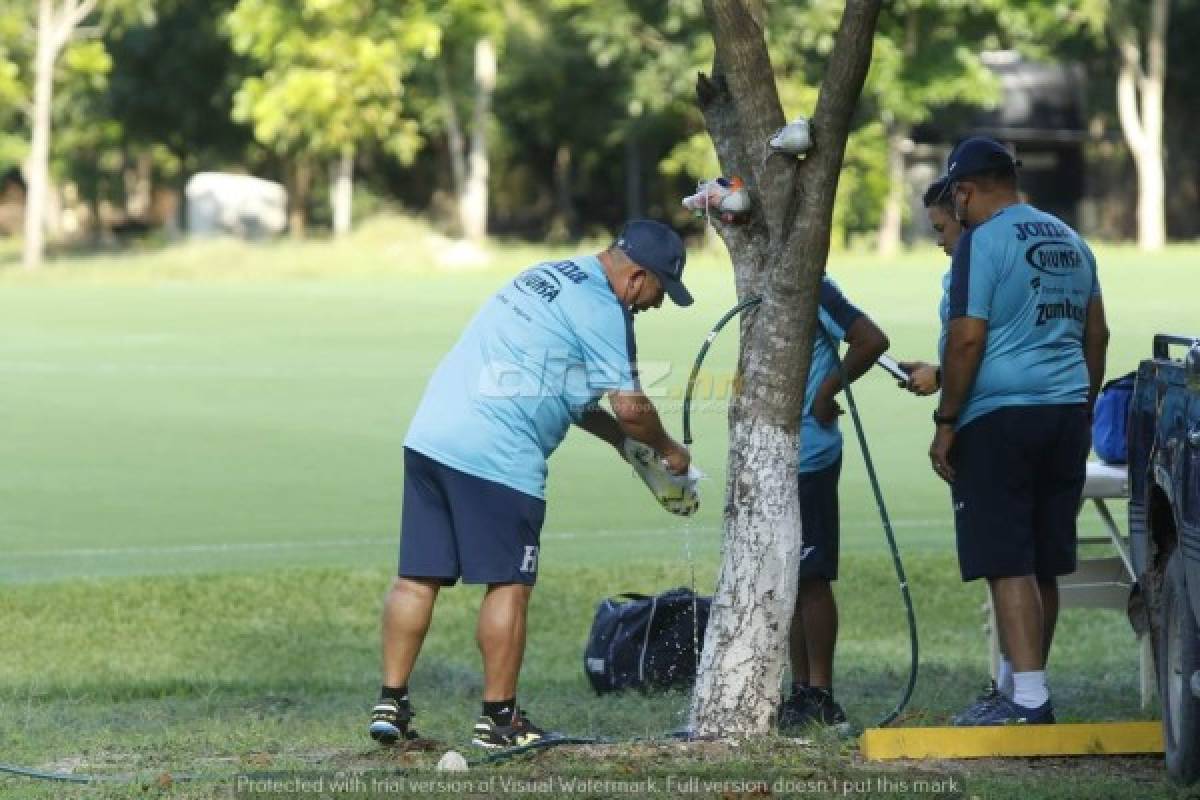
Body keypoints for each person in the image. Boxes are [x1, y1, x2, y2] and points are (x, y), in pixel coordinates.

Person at [369, 220, 695, 748]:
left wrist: (620, 444)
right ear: (637, 277)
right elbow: (633, 408)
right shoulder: (604, 309)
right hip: (497, 457)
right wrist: (668, 450)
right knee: (510, 586)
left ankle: (391, 702)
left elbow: (568, 388)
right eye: (660, 293)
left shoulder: (549, 274)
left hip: (431, 436)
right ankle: (499, 721)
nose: (654, 305)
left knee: (416, 579)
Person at [927, 137, 1109, 725]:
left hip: (999, 416)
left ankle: (1028, 701)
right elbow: (1097, 336)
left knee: (1007, 559)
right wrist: (1080, 404)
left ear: (964, 191)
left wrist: (947, 420)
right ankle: (1017, 687)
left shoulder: (981, 242)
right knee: (1044, 558)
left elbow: (967, 338)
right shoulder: (1071, 239)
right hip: (1065, 413)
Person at [778, 277, 889, 729]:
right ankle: (800, 691)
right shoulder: (765, 280)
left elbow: (871, 340)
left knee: (812, 574)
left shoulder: (813, 285)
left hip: (810, 454)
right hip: (775, 454)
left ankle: (821, 694)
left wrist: (825, 394)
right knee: (789, 579)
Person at [899, 176, 965, 396]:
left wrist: (939, 376)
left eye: (941, 228)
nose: (939, 241)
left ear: (963, 218)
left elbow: (976, 344)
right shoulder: (957, 272)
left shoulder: (979, 273)